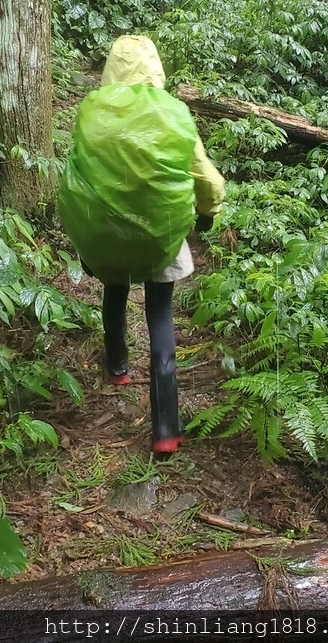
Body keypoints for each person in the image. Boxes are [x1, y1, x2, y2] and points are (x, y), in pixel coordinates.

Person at [59, 35, 224, 456]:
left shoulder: (92, 113)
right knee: (160, 314)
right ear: (156, 69)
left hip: (106, 237)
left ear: (111, 68)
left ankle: (116, 367)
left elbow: (77, 172)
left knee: (114, 287)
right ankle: (166, 425)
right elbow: (206, 181)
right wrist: (208, 214)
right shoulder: (174, 114)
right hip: (159, 239)